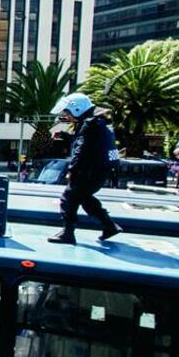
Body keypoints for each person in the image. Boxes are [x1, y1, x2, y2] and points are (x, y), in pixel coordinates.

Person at [48, 93, 122, 245]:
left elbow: (82, 149)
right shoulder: (98, 121)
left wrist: (72, 169)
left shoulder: (89, 124)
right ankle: (109, 226)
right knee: (84, 197)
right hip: (101, 168)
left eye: (67, 111)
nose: (66, 115)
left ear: (77, 109)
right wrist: (67, 137)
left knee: (68, 198)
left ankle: (67, 233)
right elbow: (90, 142)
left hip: (89, 169)